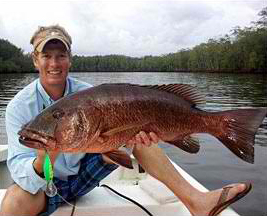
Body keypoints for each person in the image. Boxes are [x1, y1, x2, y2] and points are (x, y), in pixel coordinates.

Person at [0, 25, 251, 216]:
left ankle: (198, 202)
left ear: (70, 58)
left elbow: (120, 137)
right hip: (44, 188)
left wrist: (134, 139)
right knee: (11, 203)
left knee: (140, 137)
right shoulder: (19, 108)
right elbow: (20, 172)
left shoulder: (88, 95)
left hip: (86, 173)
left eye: (60, 55)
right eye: (46, 56)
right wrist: (44, 160)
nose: (54, 63)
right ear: (35, 60)